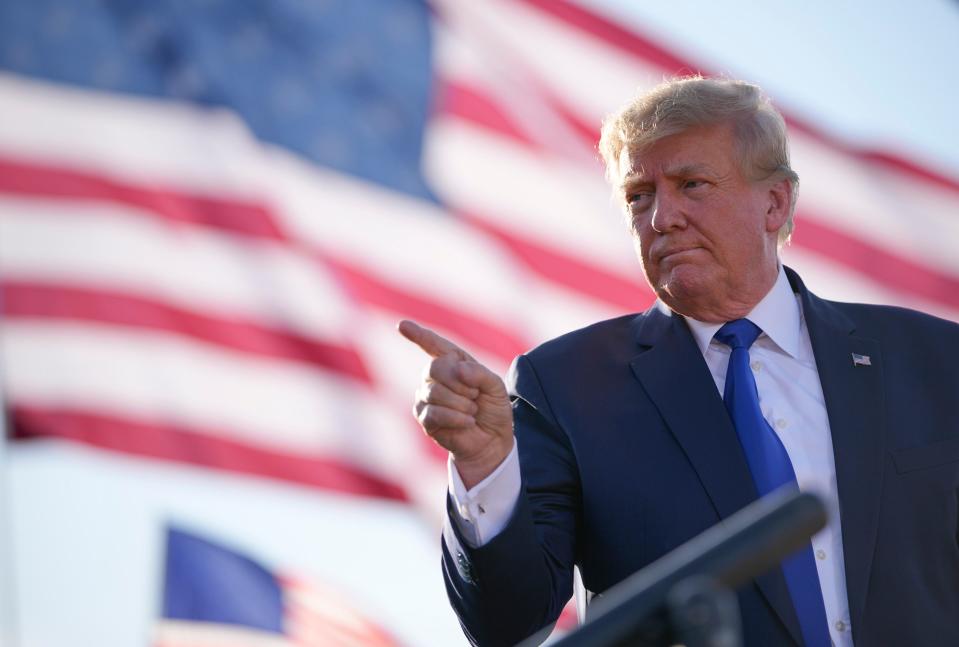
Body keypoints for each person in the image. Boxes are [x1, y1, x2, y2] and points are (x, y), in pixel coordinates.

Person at [399, 77, 959, 647]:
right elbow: (508, 628)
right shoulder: (564, 385)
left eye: (692, 184)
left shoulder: (935, 360)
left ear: (776, 203)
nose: (663, 217)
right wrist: (486, 466)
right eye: (639, 196)